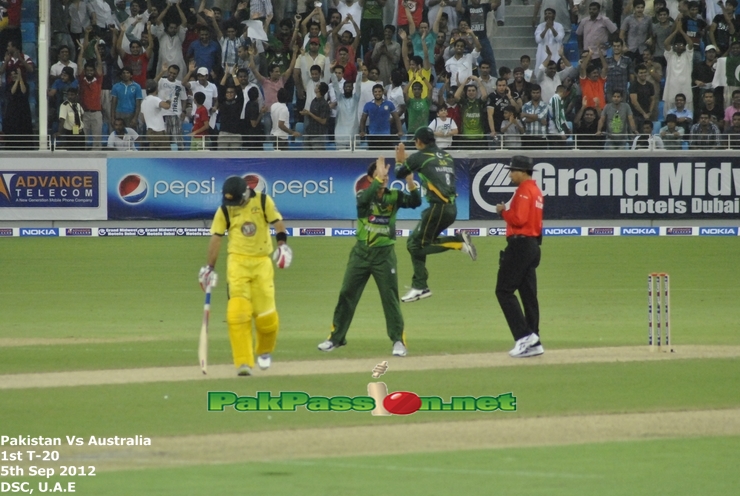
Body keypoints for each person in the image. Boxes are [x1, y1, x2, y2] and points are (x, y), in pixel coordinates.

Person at [318, 157, 421, 356]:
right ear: (370, 178)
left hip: (385, 255)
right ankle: (335, 338)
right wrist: (377, 180)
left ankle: (398, 341)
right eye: (379, 175)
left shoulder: (395, 196)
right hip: (361, 254)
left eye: (386, 175)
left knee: (389, 298)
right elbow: (365, 201)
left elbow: (415, 202)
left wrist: (410, 181)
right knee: (347, 293)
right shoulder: (363, 195)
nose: (384, 178)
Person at [199, 176, 292, 377]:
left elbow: (278, 224)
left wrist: (283, 246)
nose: (233, 205)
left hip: (261, 262)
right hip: (237, 263)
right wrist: (209, 267)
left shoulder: (263, 201)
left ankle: (264, 350)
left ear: (246, 193)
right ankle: (243, 362)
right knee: (237, 314)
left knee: (266, 317)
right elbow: (216, 237)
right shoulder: (224, 209)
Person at [394, 127, 477, 303]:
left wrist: (400, 161)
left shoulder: (420, 156)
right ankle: (420, 286)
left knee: (414, 245)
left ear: (418, 142)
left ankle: (458, 242)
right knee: (418, 243)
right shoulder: (446, 156)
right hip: (450, 208)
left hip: (438, 208)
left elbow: (398, 173)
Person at [495, 156, 544, 358]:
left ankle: (524, 337)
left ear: (523, 171)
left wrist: (503, 212)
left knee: (504, 291)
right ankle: (534, 340)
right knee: (528, 294)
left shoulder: (524, 190)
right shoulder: (536, 191)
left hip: (520, 244)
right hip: (533, 245)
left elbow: (519, 219)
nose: (510, 174)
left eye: (513, 170)